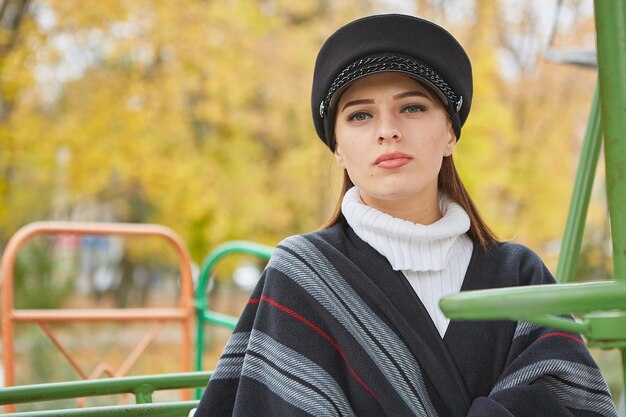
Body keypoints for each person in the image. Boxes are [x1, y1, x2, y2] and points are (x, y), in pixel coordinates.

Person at [194, 14, 617, 417]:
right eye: (360, 115)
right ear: (337, 147)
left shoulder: (520, 275)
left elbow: (571, 400)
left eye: (412, 107)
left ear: (450, 132)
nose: (387, 130)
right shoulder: (301, 276)